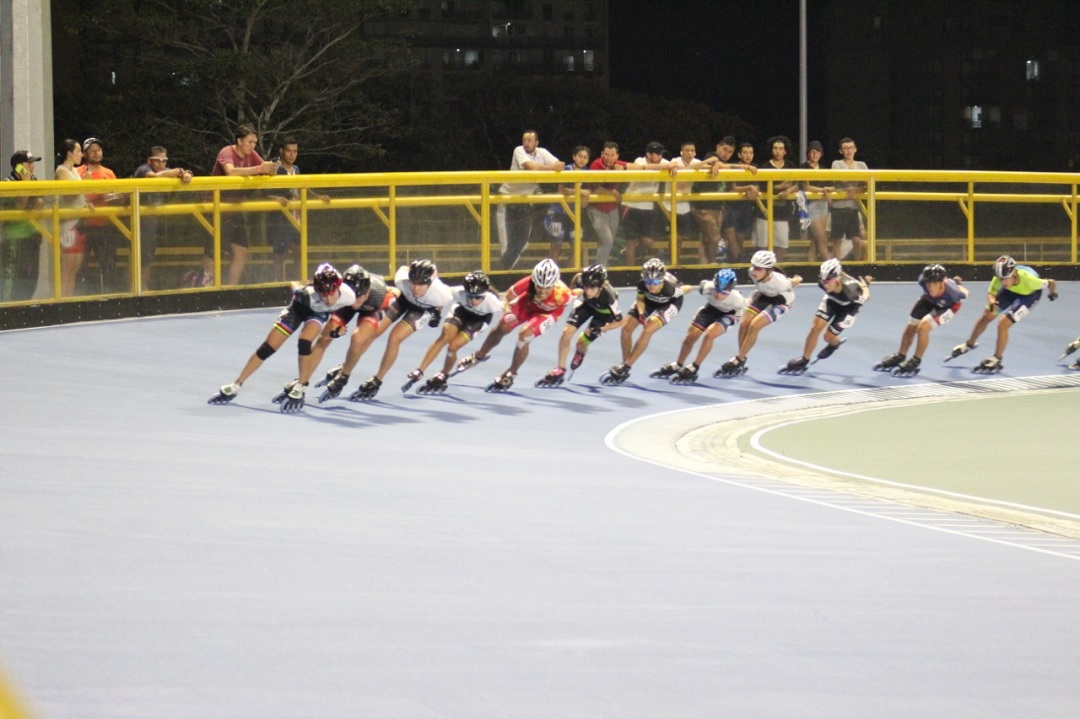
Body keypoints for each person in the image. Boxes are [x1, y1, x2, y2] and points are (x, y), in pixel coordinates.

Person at [207, 263, 356, 411]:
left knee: (304, 342)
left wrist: (336, 330)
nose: (329, 299)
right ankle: (236, 385)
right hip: (298, 310)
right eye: (323, 294)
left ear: (338, 287)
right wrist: (300, 286)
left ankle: (301, 386)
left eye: (331, 293)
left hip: (317, 314)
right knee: (267, 348)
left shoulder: (349, 296)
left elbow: (338, 319)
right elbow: (294, 285)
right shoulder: (306, 294)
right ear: (317, 289)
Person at [452, 258, 572, 392]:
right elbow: (507, 298)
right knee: (502, 326)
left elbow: (578, 294)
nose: (542, 291)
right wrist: (508, 312)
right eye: (539, 286)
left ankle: (511, 373)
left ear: (554, 284)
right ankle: (478, 356)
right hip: (527, 304)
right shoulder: (528, 282)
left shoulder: (564, 294)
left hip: (547, 313)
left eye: (547, 287)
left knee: (524, 336)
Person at [350, 259, 454, 400]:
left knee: (394, 338)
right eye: (413, 282)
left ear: (430, 283)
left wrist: (437, 313)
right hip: (404, 300)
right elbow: (405, 269)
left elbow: (440, 302)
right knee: (375, 331)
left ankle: (377, 380)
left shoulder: (440, 293)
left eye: (421, 284)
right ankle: (350, 361)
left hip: (422, 309)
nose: (415, 288)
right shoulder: (402, 278)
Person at [946, 255, 1057, 373]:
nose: (1002, 282)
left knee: (1003, 323)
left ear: (1013, 273)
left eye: (1005, 278)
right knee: (987, 315)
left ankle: (997, 358)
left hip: (1029, 295)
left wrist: (1052, 293)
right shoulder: (1000, 279)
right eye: (1000, 279)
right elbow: (991, 294)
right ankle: (969, 344)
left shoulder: (1032, 281)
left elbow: (1051, 283)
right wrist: (993, 303)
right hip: (1010, 291)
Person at [406, 271, 503, 394]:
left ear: (485, 294)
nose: (473, 301)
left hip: (479, 320)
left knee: (453, 347)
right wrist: (437, 312)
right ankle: (420, 370)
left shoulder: (493, 303)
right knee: (445, 337)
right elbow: (441, 295)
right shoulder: (458, 292)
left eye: (478, 297)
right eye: (470, 296)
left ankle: (443, 374)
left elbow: (510, 311)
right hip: (460, 312)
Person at [206, 124, 280, 285]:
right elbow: (230, 171)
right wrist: (260, 168)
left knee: (241, 249)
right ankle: (205, 285)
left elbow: (264, 169)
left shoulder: (251, 154)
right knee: (213, 251)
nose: (253, 146)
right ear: (239, 141)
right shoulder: (227, 151)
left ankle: (230, 288)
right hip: (218, 206)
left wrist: (272, 168)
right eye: (250, 142)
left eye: (255, 143)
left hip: (235, 207)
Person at [312, 265, 398, 401]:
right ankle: (302, 382)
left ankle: (343, 377)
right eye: (354, 296)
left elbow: (396, 293)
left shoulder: (380, 294)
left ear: (367, 293)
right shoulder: (343, 292)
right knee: (325, 338)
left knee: (358, 339)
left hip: (372, 308)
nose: (355, 302)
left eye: (360, 297)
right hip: (344, 304)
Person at [651, 267, 745, 384]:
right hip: (710, 309)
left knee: (709, 334)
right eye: (717, 290)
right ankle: (678, 364)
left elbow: (741, 315)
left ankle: (695, 366)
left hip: (731, 314)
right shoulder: (705, 287)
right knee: (690, 337)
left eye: (723, 292)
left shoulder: (738, 300)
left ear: (731, 290)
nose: (719, 295)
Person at [536, 263, 625, 387]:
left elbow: (620, 321)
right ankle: (560, 369)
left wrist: (602, 329)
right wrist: (570, 294)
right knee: (566, 333)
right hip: (587, 305)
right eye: (586, 286)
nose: (587, 291)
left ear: (600, 286)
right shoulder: (581, 280)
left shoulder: (609, 296)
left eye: (592, 288)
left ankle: (580, 352)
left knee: (581, 342)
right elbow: (577, 277)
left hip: (604, 313)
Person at [716, 250, 802, 377]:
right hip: (764, 295)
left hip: (781, 301)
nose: (754, 271)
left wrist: (798, 278)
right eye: (753, 267)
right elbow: (761, 288)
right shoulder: (752, 273)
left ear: (768, 270)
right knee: (744, 323)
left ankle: (738, 359)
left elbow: (794, 282)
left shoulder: (780, 283)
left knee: (754, 326)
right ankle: (742, 358)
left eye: (758, 269)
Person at [873, 264, 968, 377]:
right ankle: (900, 356)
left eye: (934, 284)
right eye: (928, 284)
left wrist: (957, 285)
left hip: (947, 307)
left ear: (942, 282)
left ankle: (915, 360)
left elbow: (965, 294)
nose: (930, 287)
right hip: (929, 299)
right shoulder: (922, 281)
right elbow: (930, 286)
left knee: (923, 328)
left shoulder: (954, 293)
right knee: (911, 325)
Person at [779, 258, 871, 375]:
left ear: (837, 279)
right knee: (815, 327)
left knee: (828, 337)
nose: (825, 284)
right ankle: (804, 359)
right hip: (832, 300)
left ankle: (835, 344)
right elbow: (841, 274)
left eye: (828, 281)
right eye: (823, 281)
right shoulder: (823, 283)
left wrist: (865, 286)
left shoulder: (852, 292)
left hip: (849, 307)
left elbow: (867, 296)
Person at [602, 258, 684, 385]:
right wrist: (641, 313)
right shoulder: (642, 284)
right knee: (626, 329)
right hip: (648, 300)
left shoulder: (670, 289)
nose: (651, 285)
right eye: (648, 281)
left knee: (647, 330)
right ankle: (625, 365)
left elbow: (685, 290)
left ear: (661, 280)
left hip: (669, 303)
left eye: (656, 282)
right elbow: (640, 299)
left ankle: (627, 366)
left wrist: (686, 289)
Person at [496, 130, 562, 270]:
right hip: (508, 200)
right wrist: (551, 168)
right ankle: (499, 273)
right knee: (506, 244)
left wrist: (551, 167)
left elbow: (559, 165)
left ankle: (503, 271)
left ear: (536, 143)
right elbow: (530, 167)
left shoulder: (542, 152)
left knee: (522, 241)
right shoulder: (518, 150)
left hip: (525, 202)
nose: (526, 143)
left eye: (530, 140)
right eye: (524, 140)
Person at [267, 138, 331, 281]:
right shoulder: (275, 169)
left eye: (295, 151)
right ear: (282, 151)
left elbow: (302, 187)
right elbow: (265, 192)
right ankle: (279, 284)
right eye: (289, 151)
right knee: (280, 254)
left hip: (296, 217)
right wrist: (276, 198)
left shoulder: (296, 169)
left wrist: (317, 196)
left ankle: (300, 281)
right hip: (281, 218)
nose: (292, 155)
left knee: (300, 252)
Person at [132, 146, 193, 290]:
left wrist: (186, 173)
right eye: (157, 161)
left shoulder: (166, 171)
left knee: (149, 254)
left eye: (164, 161)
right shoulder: (144, 170)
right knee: (142, 255)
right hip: (138, 219)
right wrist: (178, 171)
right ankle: (139, 287)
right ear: (149, 160)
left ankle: (148, 286)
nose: (161, 164)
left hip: (156, 221)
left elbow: (184, 173)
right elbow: (155, 177)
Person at [77, 137, 126, 293]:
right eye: (92, 150)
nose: (96, 153)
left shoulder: (108, 173)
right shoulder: (78, 173)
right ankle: (78, 296)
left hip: (104, 226)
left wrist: (116, 197)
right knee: (79, 266)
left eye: (98, 149)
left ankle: (109, 295)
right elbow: (75, 198)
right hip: (83, 227)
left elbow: (117, 196)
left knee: (108, 265)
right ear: (85, 154)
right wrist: (98, 197)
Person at [1, 151, 45, 301]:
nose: (32, 167)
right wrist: (26, 187)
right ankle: (7, 308)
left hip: (31, 236)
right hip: (13, 239)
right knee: (11, 276)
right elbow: (18, 207)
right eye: (29, 163)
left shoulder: (33, 180)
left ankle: (25, 304)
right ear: (18, 167)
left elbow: (41, 202)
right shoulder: (7, 184)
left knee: (30, 275)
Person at [622, 142, 674, 266]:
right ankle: (631, 270)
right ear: (648, 154)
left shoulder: (662, 162)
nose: (660, 156)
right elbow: (645, 168)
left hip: (648, 207)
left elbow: (673, 165)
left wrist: (672, 165)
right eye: (657, 154)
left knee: (648, 241)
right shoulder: (639, 161)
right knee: (632, 242)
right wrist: (667, 166)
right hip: (632, 205)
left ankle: (630, 255)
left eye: (661, 154)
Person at [751, 135, 797, 263]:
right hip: (764, 212)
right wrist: (781, 186)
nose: (778, 151)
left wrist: (788, 190)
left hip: (782, 213)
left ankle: (776, 268)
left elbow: (797, 184)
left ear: (785, 151)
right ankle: (762, 268)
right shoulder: (764, 166)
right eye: (775, 148)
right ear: (771, 150)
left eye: (781, 148)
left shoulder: (790, 165)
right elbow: (762, 186)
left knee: (781, 244)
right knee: (763, 246)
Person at [544, 145, 591, 265]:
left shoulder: (588, 173)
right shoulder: (567, 170)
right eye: (580, 156)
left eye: (585, 157)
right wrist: (580, 192)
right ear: (574, 157)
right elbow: (563, 190)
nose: (582, 159)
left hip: (574, 215)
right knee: (556, 246)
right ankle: (553, 275)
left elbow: (587, 195)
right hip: (558, 213)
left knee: (577, 247)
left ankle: (569, 273)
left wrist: (575, 191)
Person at [585, 142, 627, 265]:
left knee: (609, 241)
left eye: (612, 155)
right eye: (606, 154)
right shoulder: (596, 165)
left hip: (612, 209)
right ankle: (600, 270)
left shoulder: (618, 165)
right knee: (607, 241)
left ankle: (601, 267)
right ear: (602, 154)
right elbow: (594, 187)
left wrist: (624, 168)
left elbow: (638, 167)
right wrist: (613, 192)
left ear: (617, 156)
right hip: (596, 208)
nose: (608, 157)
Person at [54, 139, 86, 297]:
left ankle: (69, 296)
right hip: (68, 223)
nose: (81, 154)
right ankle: (62, 298)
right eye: (78, 151)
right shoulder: (62, 171)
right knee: (68, 265)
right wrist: (84, 185)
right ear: (69, 153)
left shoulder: (74, 171)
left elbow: (78, 197)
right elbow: (68, 195)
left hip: (79, 221)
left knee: (76, 265)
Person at [830, 137, 868, 261]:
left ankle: (856, 265)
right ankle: (836, 268)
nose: (848, 150)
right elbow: (842, 179)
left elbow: (867, 184)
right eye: (845, 148)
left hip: (853, 208)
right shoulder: (837, 163)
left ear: (855, 149)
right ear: (841, 151)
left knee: (856, 240)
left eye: (851, 147)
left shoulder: (862, 165)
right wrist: (858, 184)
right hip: (838, 208)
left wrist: (855, 191)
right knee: (837, 240)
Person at [723, 142, 759, 262]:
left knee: (740, 239)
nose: (748, 156)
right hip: (731, 207)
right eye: (745, 153)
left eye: (750, 153)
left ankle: (735, 262)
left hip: (746, 208)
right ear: (739, 154)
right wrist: (748, 187)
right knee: (731, 238)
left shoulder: (755, 168)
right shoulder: (733, 167)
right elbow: (731, 188)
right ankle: (739, 264)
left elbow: (758, 187)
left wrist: (753, 190)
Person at [798, 140, 833, 261]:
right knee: (822, 238)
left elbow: (832, 185)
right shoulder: (803, 167)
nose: (814, 154)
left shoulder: (824, 168)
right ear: (808, 153)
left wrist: (828, 189)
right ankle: (831, 268)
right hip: (810, 205)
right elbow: (805, 186)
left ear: (821, 154)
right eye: (812, 152)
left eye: (817, 152)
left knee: (816, 240)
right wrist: (823, 190)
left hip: (823, 204)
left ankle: (811, 265)